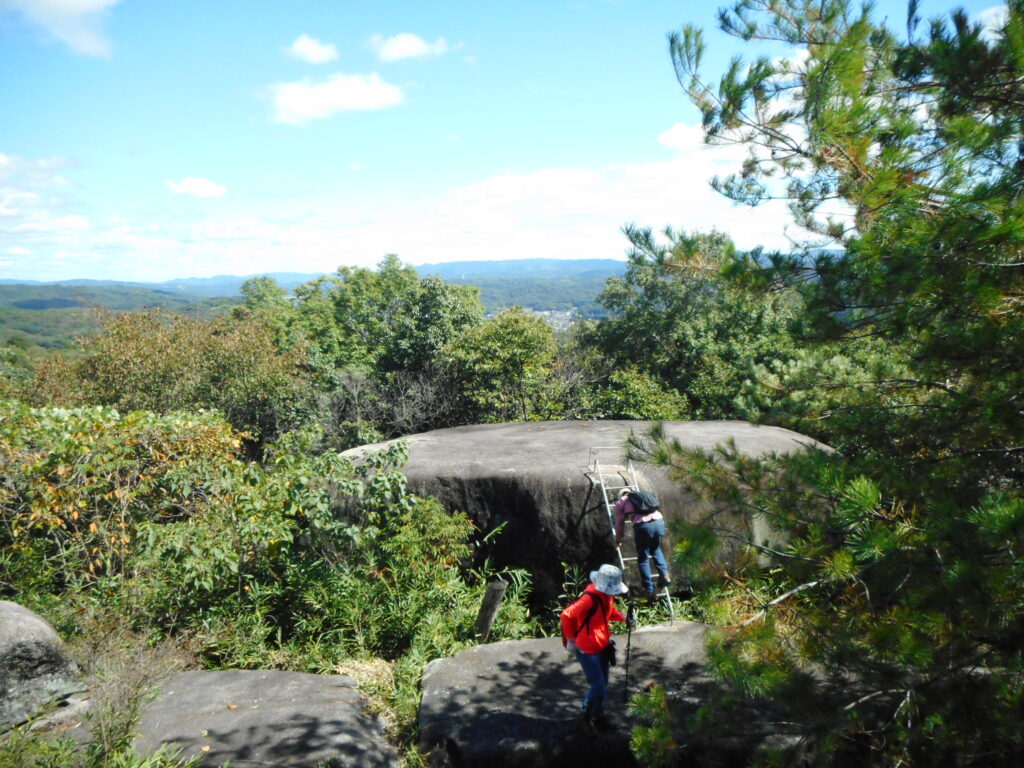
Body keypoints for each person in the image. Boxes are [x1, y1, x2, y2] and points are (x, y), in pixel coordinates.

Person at [560, 564, 632, 731]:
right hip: (588, 649)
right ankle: (585, 715)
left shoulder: (607, 596)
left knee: (603, 683)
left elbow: (609, 612)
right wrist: (570, 638)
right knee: (597, 684)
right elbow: (566, 615)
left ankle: (598, 714)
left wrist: (624, 618)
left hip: (602, 645)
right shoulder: (589, 598)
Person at [614, 488, 671, 597]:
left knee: (643, 557)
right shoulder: (644, 495)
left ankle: (648, 588)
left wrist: (618, 541)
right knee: (655, 549)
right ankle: (665, 575)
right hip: (659, 522)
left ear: (620, 495)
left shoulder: (621, 502)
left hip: (643, 526)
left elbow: (619, 525)